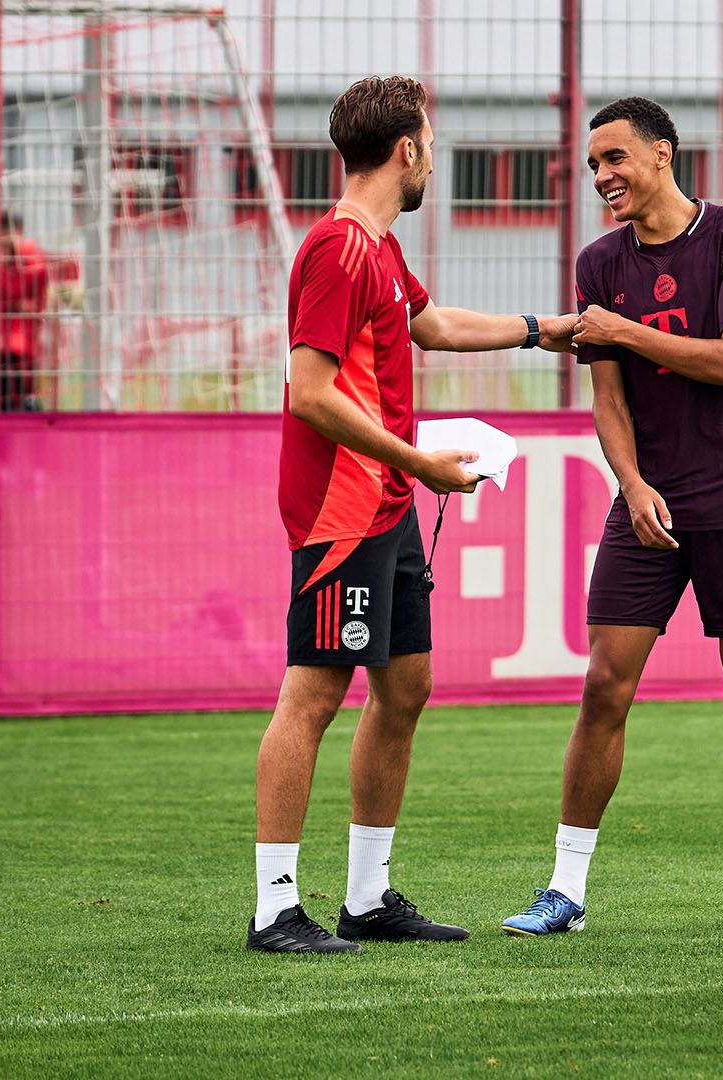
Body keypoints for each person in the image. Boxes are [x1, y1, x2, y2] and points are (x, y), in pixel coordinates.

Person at [249, 75, 576, 954]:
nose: (434, 153)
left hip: (386, 505)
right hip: (342, 510)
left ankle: (366, 898)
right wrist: (420, 462)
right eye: (430, 139)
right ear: (406, 150)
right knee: (313, 694)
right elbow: (311, 394)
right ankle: (275, 908)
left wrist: (545, 328)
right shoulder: (340, 249)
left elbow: (431, 327)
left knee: (407, 687)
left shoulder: (381, 251)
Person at [499, 97, 723, 938]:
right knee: (602, 686)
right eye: (593, 166)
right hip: (647, 503)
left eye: (615, 159)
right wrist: (628, 483)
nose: (603, 178)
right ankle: (565, 890)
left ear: (663, 154)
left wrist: (626, 329)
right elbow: (608, 396)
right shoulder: (599, 262)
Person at [0, 210, 49, 411]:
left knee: (24, 400)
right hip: (4, 344)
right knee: (6, 403)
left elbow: (31, 299)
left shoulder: (30, 257)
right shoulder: (2, 264)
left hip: (23, 344)